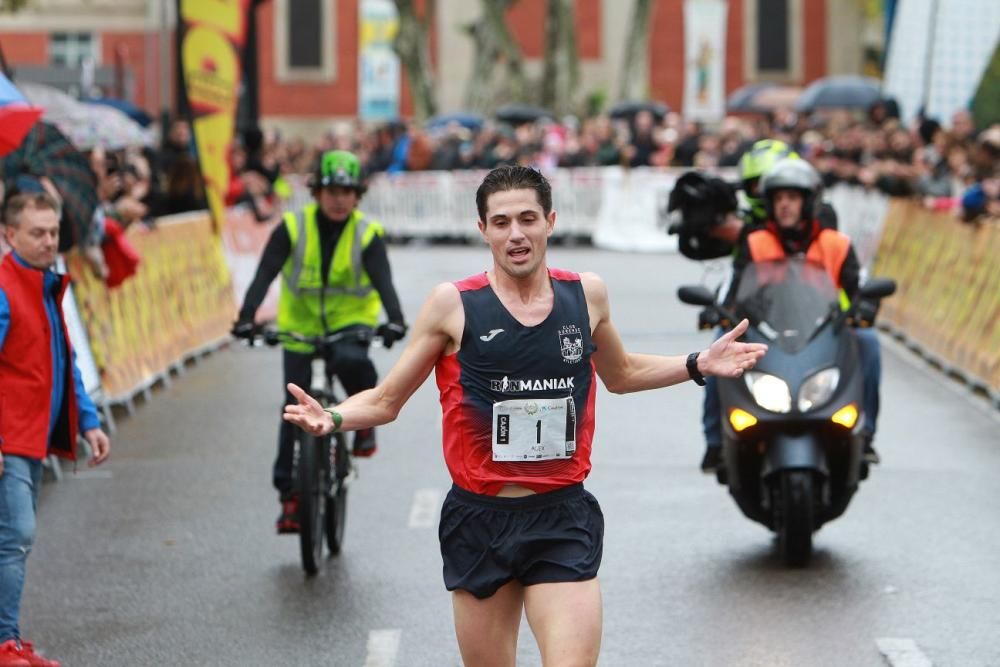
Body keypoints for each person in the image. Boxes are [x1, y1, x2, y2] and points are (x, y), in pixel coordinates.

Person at [282, 165, 767, 666]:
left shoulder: (586, 295)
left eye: (528, 219)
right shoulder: (454, 305)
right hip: (480, 519)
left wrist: (697, 364)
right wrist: (334, 418)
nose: (516, 233)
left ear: (550, 222)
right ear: (483, 230)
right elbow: (386, 400)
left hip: (560, 516)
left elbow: (620, 374)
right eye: (502, 222)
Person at [232, 149, 407, 534]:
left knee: (351, 361)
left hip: (350, 323)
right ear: (317, 192)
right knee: (292, 408)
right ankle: (290, 498)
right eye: (331, 190)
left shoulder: (367, 233)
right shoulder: (293, 228)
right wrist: (246, 318)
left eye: (347, 190)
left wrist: (395, 321)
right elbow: (263, 276)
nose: (339, 198)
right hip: (300, 327)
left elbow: (384, 283)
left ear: (357, 194)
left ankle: (363, 419)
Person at [0, 192, 111, 667]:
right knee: (16, 536)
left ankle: (9, 640)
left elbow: (62, 360)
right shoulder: (5, 287)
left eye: (54, 232)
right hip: (10, 438)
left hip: (31, 437)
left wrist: (89, 421)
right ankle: (5, 643)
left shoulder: (45, 282)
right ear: (9, 235)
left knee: (13, 538)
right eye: (37, 233)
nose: (49, 242)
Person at [726, 158, 883, 464]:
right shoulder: (754, 241)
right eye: (779, 199)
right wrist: (721, 312)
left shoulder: (836, 244)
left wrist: (864, 308)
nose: (785, 205)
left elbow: (859, 289)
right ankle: (717, 440)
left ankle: (865, 435)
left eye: (793, 198)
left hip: (827, 330)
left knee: (870, 343)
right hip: (766, 331)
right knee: (720, 344)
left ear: (808, 202)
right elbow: (734, 292)